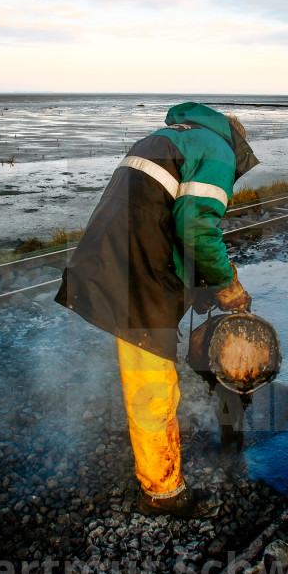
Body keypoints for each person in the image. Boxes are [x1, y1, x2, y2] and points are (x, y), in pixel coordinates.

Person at [55, 102, 258, 518]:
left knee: (150, 369)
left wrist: (197, 287)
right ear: (238, 143)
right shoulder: (218, 150)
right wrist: (226, 284)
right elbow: (198, 228)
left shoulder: (170, 137)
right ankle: (161, 491)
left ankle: (158, 473)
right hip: (135, 271)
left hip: (116, 259)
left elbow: (163, 217)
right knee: (152, 385)